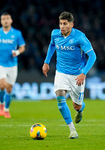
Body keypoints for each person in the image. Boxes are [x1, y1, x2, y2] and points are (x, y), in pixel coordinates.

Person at [42, 11, 96, 139]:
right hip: (61, 72)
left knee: (76, 105)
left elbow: (93, 56)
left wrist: (84, 73)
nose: (62, 26)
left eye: (65, 24)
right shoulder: (55, 34)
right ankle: (72, 130)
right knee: (60, 98)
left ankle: (80, 109)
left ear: (71, 24)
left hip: (77, 75)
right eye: (60, 23)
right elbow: (52, 45)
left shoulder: (80, 37)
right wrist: (46, 62)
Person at [0, 12, 25, 118]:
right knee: (2, 85)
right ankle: (1, 104)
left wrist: (17, 52)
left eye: (7, 18)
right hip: (0, 63)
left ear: (11, 20)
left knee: (9, 89)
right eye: (3, 19)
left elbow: (22, 46)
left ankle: (6, 109)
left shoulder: (17, 33)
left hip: (12, 65)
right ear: (1, 21)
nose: (5, 20)